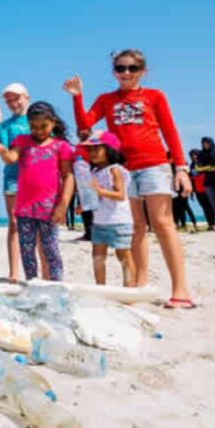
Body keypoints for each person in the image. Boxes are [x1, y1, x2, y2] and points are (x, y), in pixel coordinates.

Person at [65, 50, 195, 308]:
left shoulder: (154, 96)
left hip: (155, 165)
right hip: (126, 168)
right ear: (114, 71)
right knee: (136, 227)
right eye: (121, 68)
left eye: (132, 68)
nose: (126, 73)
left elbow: (170, 130)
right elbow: (84, 125)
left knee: (162, 223)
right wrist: (77, 96)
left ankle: (181, 290)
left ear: (142, 71)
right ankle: (139, 283)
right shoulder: (107, 99)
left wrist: (181, 167)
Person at [0, 102, 75, 281]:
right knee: (27, 251)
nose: (39, 130)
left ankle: (56, 285)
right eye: (34, 127)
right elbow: (11, 159)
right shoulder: (22, 141)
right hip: (25, 209)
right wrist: (2, 150)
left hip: (49, 209)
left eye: (44, 126)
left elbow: (68, 177)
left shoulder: (61, 146)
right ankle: (32, 284)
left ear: (53, 123)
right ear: (28, 125)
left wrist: (63, 206)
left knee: (51, 250)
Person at [79, 131, 136, 286]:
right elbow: (95, 198)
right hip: (99, 222)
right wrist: (84, 206)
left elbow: (121, 195)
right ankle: (100, 287)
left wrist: (100, 191)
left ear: (109, 149)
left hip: (118, 221)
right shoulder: (94, 172)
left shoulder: (115, 170)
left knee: (123, 255)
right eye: (89, 150)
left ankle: (129, 288)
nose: (92, 153)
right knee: (97, 256)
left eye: (96, 149)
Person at [0, 82, 32, 281]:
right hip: (13, 178)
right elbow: (2, 148)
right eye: (9, 100)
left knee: (39, 224)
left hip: (37, 177)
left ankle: (39, 271)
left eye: (17, 98)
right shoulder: (6, 125)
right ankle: (14, 273)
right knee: (14, 224)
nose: (13, 103)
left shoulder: (37, 120)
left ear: (26, 97)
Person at [72, 129, 99, 241]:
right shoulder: (77, 146)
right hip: (81, 182)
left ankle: (96, 233)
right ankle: (88, 233)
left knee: (94, 207)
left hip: (92, 179)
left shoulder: (94, 144)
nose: (82, 132)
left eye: (85, 130)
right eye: (80, 130)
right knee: (83, 207)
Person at [189, 149, 215, 230]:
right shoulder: (192, 165)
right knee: (204, 207)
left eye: (195, 154)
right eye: (191, 155)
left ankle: (213, 223)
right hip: (198, 189)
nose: (193, 157)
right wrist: (192, 191)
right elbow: (192, 178)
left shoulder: (204, 163)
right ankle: (210, 224)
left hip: (207, 188)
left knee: (210, 206)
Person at [171, 164, 198, 233]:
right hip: (175, 190)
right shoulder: (172, 167)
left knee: (185, 207)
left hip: (182, 189)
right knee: (176, 208)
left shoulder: (181, 167)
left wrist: (189, 191)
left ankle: (192, 223)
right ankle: (179, 223)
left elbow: (188, 179)